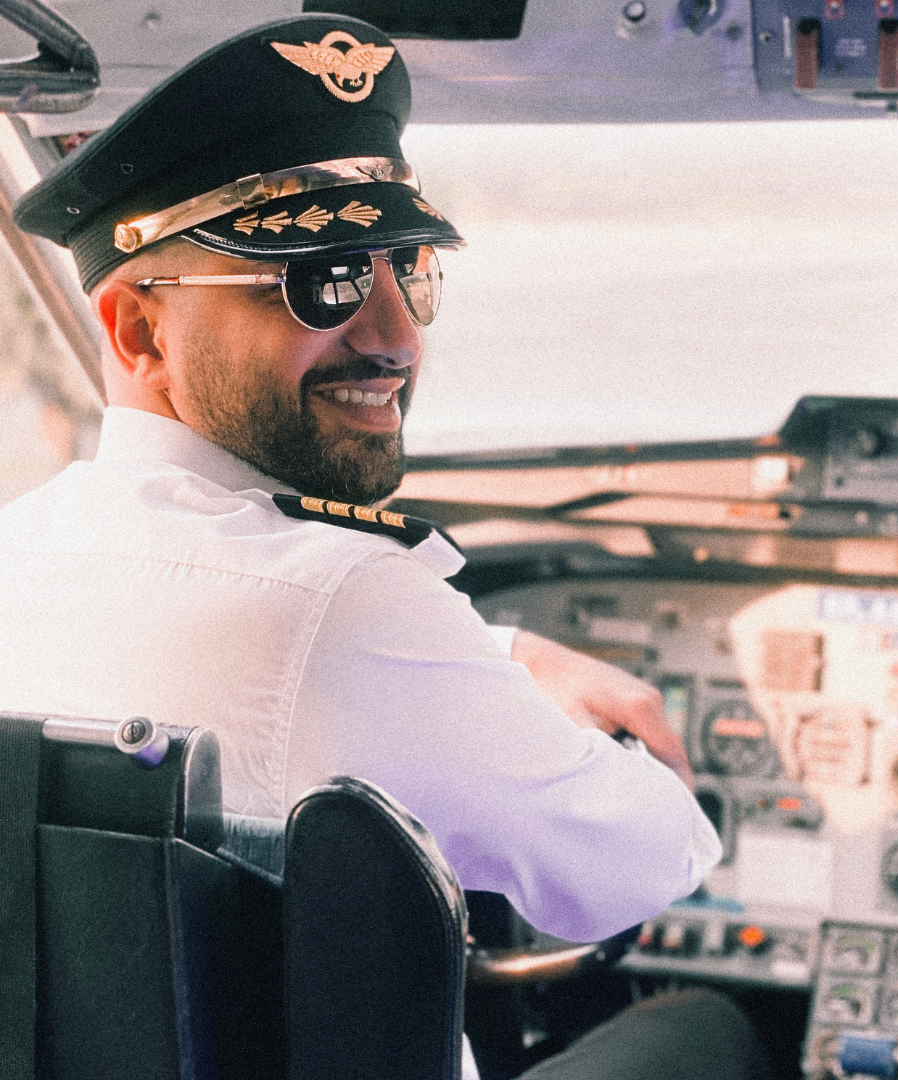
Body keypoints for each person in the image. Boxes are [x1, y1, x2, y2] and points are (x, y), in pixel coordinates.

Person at [0, 15, 770, 1080]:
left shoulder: (21, 550)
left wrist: (503, 656)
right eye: (320, 281)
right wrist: (631, 750)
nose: (395, 336)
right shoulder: (340, 595)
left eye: (407, 271)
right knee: (704, 1031)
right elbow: (640, 864)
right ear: (138, 330)